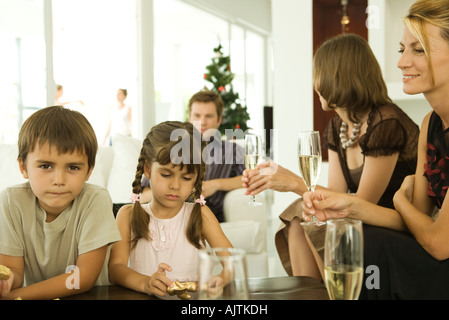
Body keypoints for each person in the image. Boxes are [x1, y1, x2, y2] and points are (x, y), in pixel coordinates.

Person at [302, 0, 449, 299]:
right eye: (402, 49)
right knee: (352, 234)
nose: (401, 62)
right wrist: (348, 206)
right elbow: (411, 222)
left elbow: (437, 242)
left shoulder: (388, 121)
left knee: (366, 242)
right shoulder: (430, 125)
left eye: (418, 49)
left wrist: (399, 199)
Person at [242, 33, 419, 280]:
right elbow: (337, 190)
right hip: (362, 218)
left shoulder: (385, 122)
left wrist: (293, 182)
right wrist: (301, 193)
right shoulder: (338, 126)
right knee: (298, 216)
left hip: (391, 224)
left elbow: (362, 204)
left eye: (319, 73)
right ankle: (311, 294)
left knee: (314, 220)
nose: (315, 83)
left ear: (338, 76)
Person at [0, 106, 121, 300]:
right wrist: (6, 282)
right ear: (23, 167)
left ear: (89, 170)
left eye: (73, 167)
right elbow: (13, 271)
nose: (59, 179)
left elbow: (82, 278)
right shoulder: (10, 201)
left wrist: (13, 297)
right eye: (45, 166)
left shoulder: (95, 199)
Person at [108, 121, 232, 298]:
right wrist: (146, 283)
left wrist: (220, 279)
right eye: (166, 174)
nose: (175, 186)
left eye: (187, 178)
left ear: (196, 179)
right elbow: (115, 269)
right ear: (148, 170)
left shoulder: (201, 214)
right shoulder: (127, 215)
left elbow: (231, 263)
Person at [141, 90, 245, 222]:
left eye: (209, 116)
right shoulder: (172, 147)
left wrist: (216, 184)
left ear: (219, 120)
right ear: (189, 118)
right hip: (166, 212)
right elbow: (144, 196)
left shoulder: (232, 150)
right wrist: (181, 192)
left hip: (205, 213)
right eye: (197, 115)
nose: (202, 122)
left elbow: (251, 178)